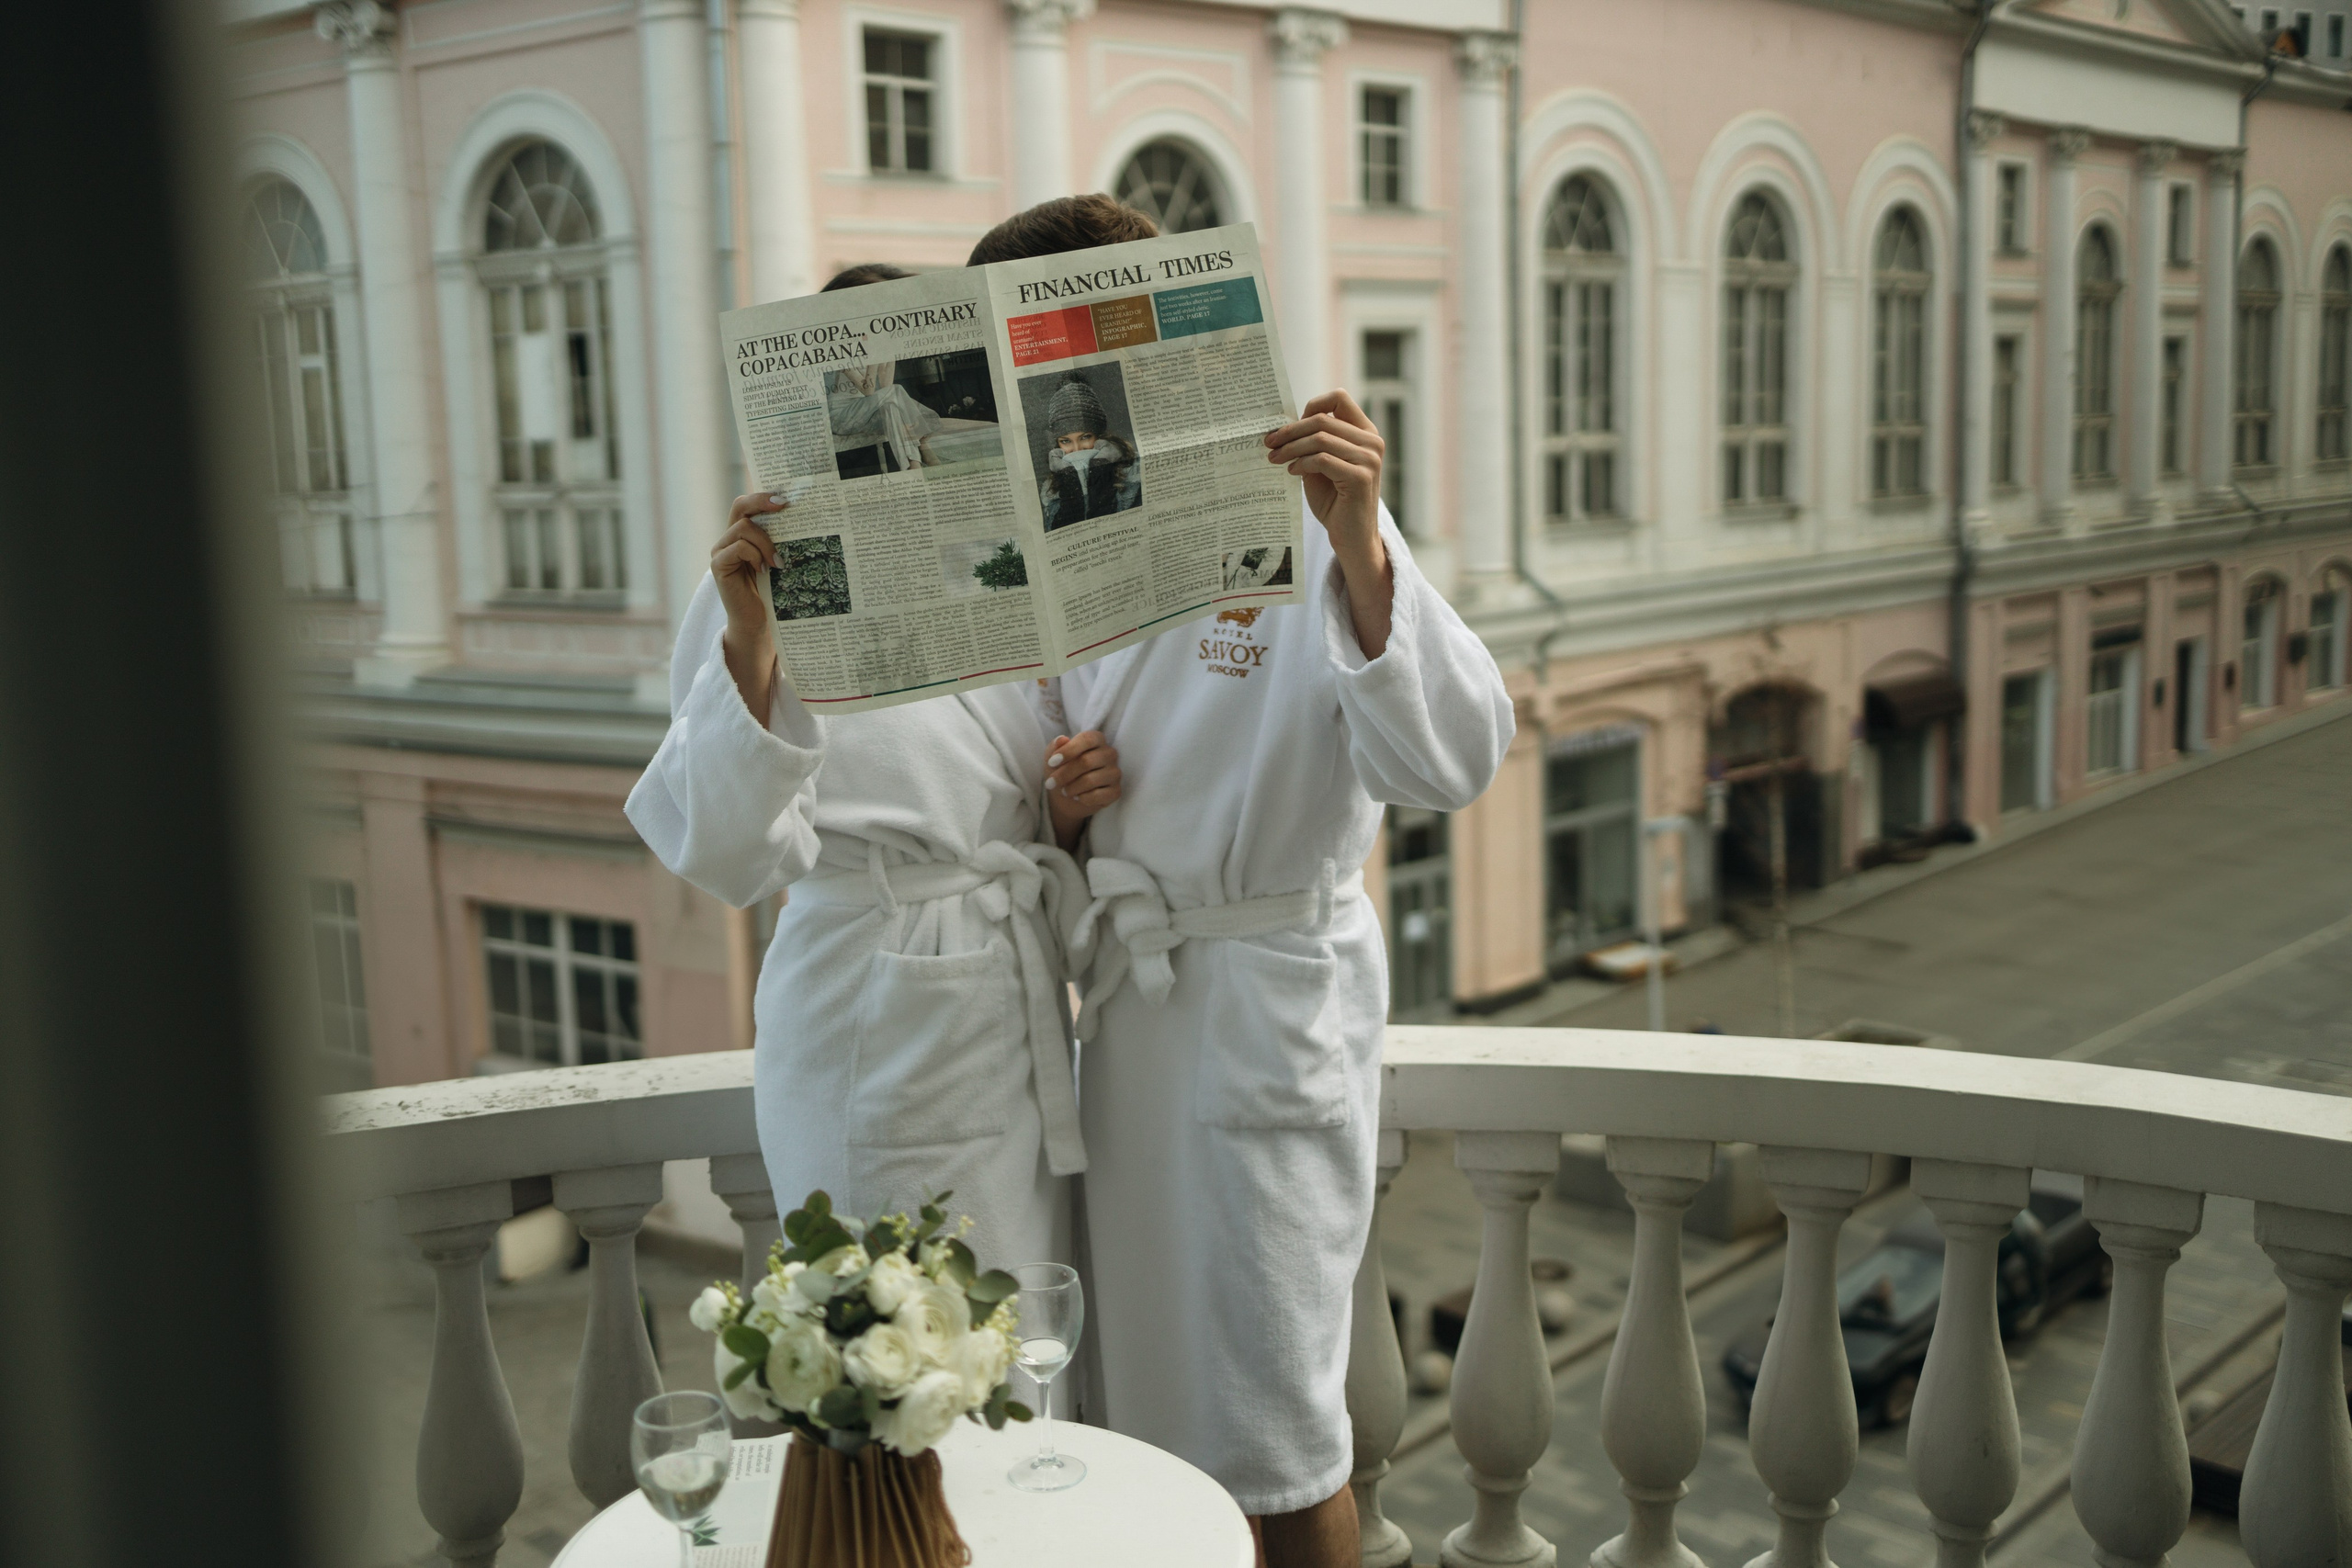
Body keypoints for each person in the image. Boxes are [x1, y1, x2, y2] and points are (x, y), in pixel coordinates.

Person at [966, 197, 1514, 1567]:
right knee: (1146, 1428)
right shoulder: (1055, 538)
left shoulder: (1307, 508)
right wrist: (1070, 812)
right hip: (1133, 1030)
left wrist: (1362, 540)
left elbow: (1450, 759)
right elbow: (1055, 832)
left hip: (1269, 1006)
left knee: (1275, 1438)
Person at [624, 265, 1125, 1314]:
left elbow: (1013, 807)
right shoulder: (750, 589)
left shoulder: (1004, 561)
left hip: (1003, 997)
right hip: (866, 996)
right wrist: (751, 638)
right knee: (890, 1329)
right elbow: (728, 849)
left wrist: (1067, 804)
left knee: (1017, 1316)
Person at [1036, 375, 1141, 529]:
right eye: (1066, 441)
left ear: (1100, 438)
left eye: (1085, 437)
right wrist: (1070, 485)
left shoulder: (1134, 471)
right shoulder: (1050, 488)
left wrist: (1101, 473)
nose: (1077, 449)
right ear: (1057, 446)